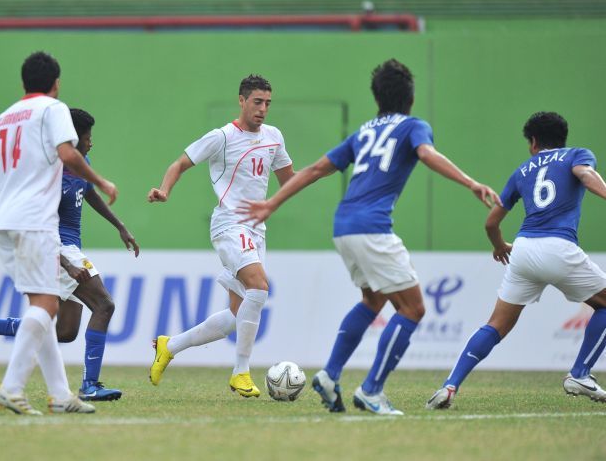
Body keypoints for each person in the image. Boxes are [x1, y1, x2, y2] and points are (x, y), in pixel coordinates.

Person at [241, 59, 499, 415]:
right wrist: (471, 182)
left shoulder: (364, 132)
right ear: (410, 98)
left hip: (343, 226)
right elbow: (427, 154)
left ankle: (330, 374)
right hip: (373, 227)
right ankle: (372, 390)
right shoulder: (414, 126)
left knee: (373, 300)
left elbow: (316, 169)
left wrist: (272, 202)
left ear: (377, 99)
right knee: (413, 309)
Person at [426, 112, 606, 410]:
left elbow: (491, 223)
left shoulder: (522, 171)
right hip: (559, 247)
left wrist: (500, 246)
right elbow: (585, 175)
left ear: (533, 142)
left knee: (495, 325)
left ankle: (449, 386)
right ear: (562, 138)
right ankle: (580, 374)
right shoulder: (576, 155)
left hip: (523, 250)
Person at [0, 51, 118, 415]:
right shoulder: (53, 109)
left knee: (46, 307)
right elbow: (68, 154)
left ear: (24, 82)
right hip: (35, 221)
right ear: (56, 83)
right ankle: (11, 388)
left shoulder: (3, 118)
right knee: (47, 307)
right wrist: (101, 180)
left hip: (5, 222)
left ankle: (61, 394)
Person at [0, 107, 139, 402]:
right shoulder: (49, 174)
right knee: (104, 305)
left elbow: (89, 192)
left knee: (66, 331)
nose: (91, 142)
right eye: (87, 137)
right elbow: (37, 223)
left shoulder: (81, 164)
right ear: (73, 139)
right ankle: (89, 386)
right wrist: (67, 264)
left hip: (70, 249)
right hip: (56, 248)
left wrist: (119, 226)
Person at [147, 74, 294, 398]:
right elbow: (179, 163)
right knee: (259, 286)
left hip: (256, 230)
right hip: (229, 224)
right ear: (241, 101)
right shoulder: (222, 137)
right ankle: (240, 372)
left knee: (236, 315)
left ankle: (170, 346)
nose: (263, 109)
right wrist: (165, 190)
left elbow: (289, 180)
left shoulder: (274, 137)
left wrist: (319, 173)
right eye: (257, 102)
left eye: (268, 103)